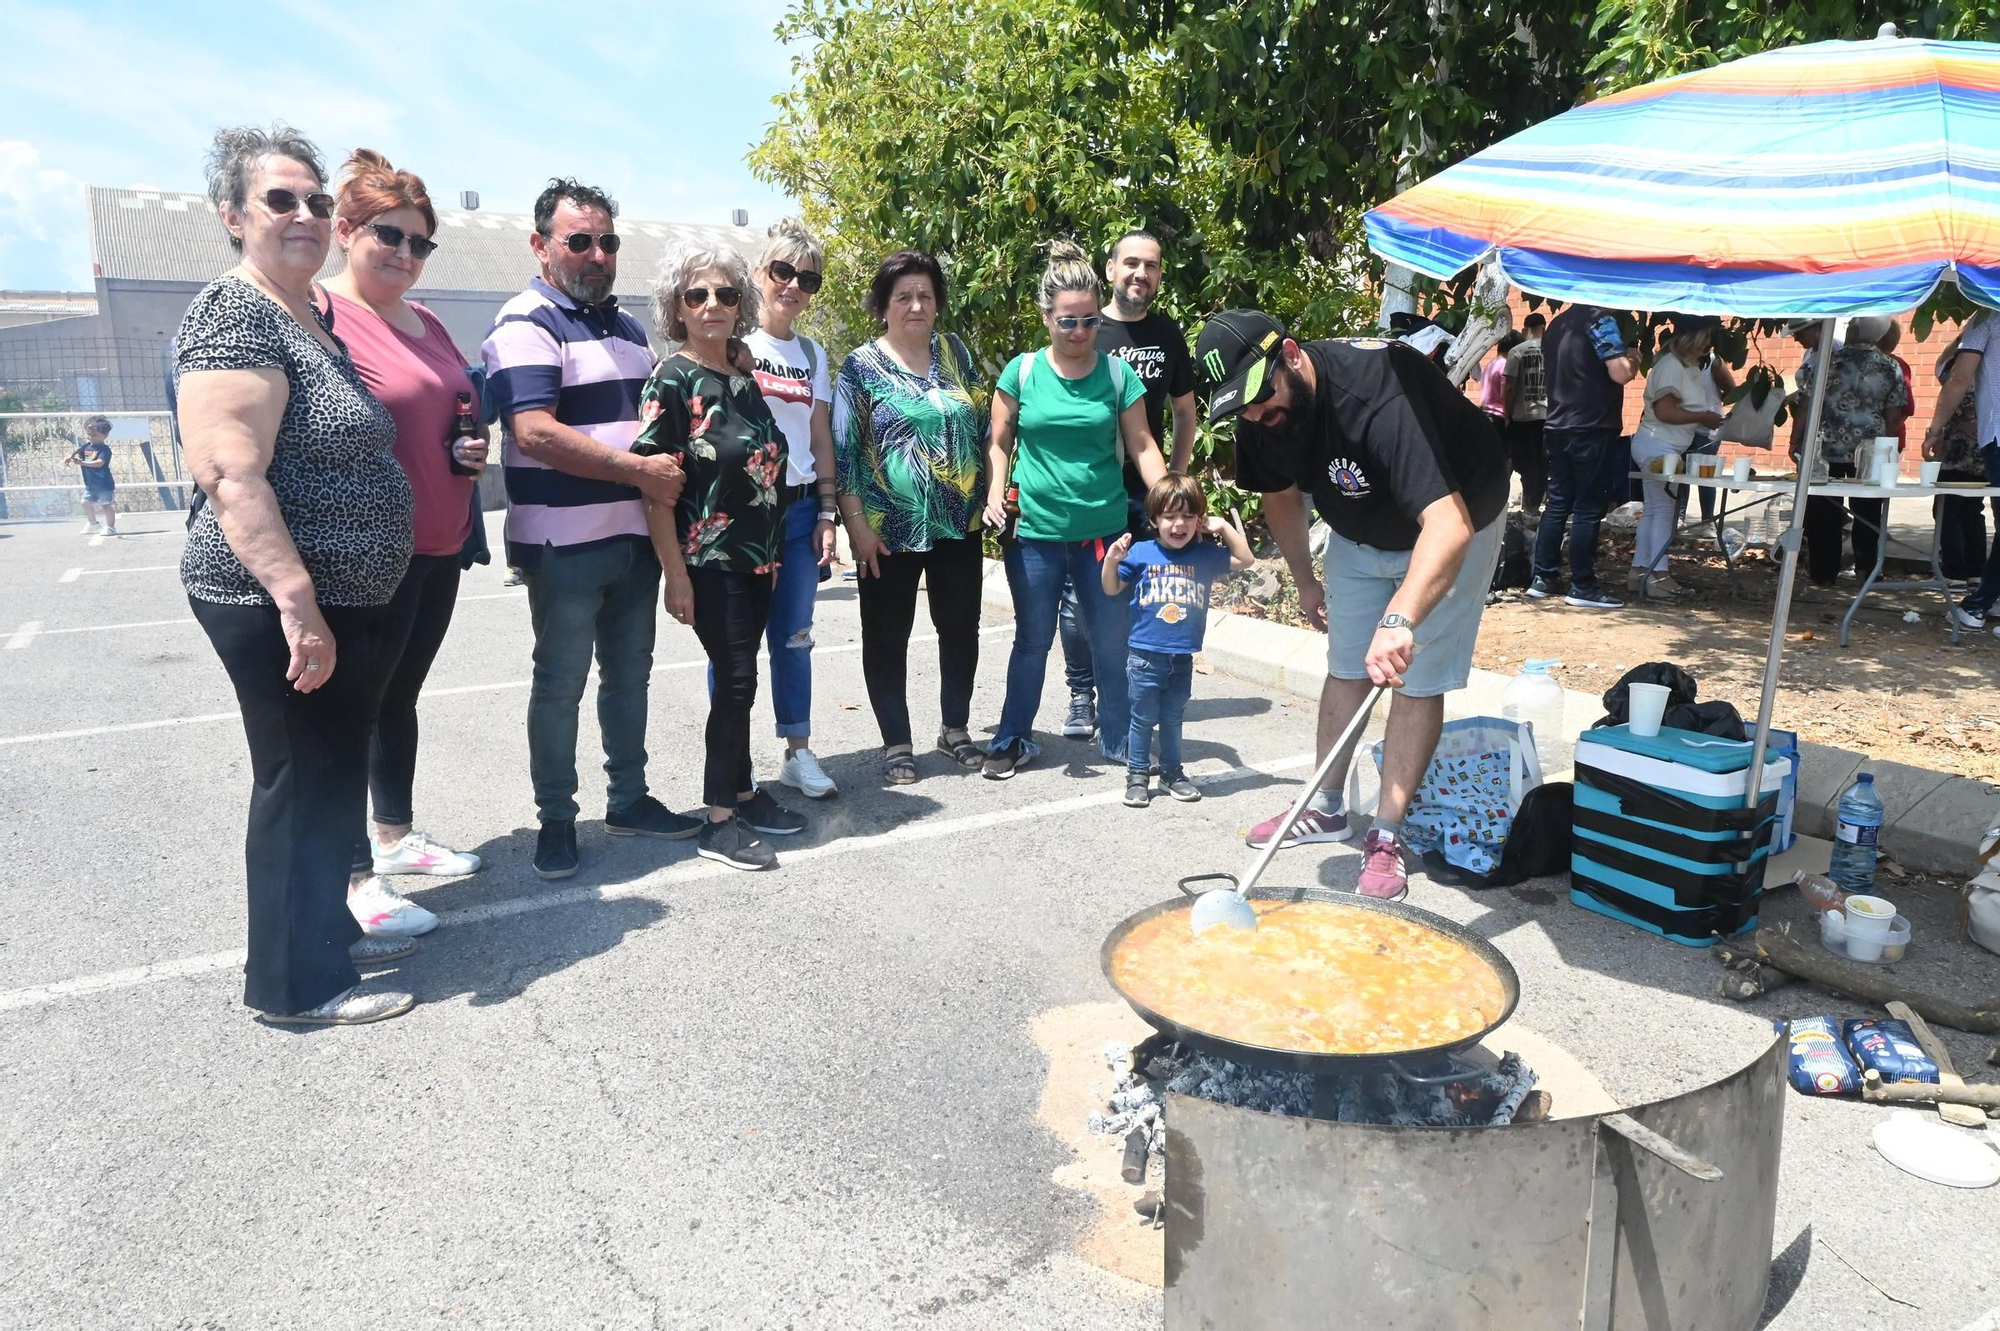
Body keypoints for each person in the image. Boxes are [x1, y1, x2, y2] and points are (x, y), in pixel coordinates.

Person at [176, 124, 416, 1025]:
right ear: (236, 216)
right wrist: (298, 602)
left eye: (317, 200)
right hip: (270, 597)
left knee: (326, 772)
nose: (307, 214)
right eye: (282, 199)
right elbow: (230, 472)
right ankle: (293, 985)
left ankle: (327, 932)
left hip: (341, 593)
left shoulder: (302, 309)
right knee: (297, 778)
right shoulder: (234, 312)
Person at [1204, 312, 1508, 901]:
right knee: (1347, 664)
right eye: (1247, 413)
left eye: (1266, 404)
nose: (1261, 419)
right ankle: (1325, 808)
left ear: (1291, 354)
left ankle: (1387, 835)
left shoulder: (1378, 395)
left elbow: (1447, 526)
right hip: (1360, 528)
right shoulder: (1256, 403)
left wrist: (1399, 619)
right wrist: (1304, 579)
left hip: (1458, 519)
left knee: (1412, 678)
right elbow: (1280, 493)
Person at [483, 179, 695, 881]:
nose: (597, 253)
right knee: (561, 684)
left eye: (607, 240)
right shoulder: (525, 322)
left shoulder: (629, 329)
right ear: (541, 246)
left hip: (634, 542)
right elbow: (534, 433)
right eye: (580, 240)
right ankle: (555, 820)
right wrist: (639, 472)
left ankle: (628, 798)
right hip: (564, 548)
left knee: (629, 676)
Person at [321, 148, 485, 939]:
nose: (406, 255)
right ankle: (352, 877)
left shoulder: (427, 322)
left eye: (421, 243)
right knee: (353, 710)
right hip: (366, 551)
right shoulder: (320, 317)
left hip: (440, 540)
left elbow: (453, 406)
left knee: (399, 698)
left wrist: (470, 445)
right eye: (390, 236)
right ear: (345, 229)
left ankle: (394, 837)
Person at [632, 242, 806, 872]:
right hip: (709, 561)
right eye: (696, 294)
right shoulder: (672, 379)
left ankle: (742, 792)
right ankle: (720, 822)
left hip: (760, 558)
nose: (712, 305)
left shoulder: (740, 375)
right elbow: (655, 485)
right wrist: (675, 577)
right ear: (676, 306)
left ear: (741, 305)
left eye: (726, 294)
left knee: (742, 679)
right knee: (735, 682)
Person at [980, 239, 1168, 780]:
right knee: (1032, 640)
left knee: (1111, 642)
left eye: (1089, 321)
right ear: (1046, 317)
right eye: (1068, 322)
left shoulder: (1117, 376)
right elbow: (998, 441)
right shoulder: (1020, 372)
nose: (1080, 332)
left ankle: (1118, 738)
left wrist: (1170, 500)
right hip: (1034, 533)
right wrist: (995, 496)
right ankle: (1013, 736)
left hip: (1103, 536)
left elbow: (1142, 445)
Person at [832, 250, 989, 783]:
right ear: (884, 306)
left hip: (958, 523)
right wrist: (855, 525)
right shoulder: (859, 366)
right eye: (904, 296)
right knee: (886, 634)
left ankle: (955, 730)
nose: (915, 305)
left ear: (938, 304)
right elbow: (845, 451)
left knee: (960, 628)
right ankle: (897, 742)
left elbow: (983, 427)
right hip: (887, 527)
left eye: (925, 295)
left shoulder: (956, 352)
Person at [1051, 229, 1200, 741]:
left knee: (1149, 590)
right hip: (1090, 492)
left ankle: (1138, 688)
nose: (1141, 273)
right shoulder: (1085, 327)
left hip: (1148, 494)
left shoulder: (1168, 333)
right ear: (1110, 268)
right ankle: (1080, 694)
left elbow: (1185, 413)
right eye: (1131, 263)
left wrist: (1173, 487)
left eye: (1152, 265)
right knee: (1080, 597)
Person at [744, 219, 840, 800]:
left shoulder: (810, 353)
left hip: (802, 510)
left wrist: (828, 513)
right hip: (747, 515)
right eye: (782, 271)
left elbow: (821, 438)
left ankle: (797, 752)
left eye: (806, 278)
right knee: (734, 640)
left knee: (795, 637)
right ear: (760, 273)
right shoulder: (734, 346)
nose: (793, 286)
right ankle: (729, 758)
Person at [1100, 474, 1252, 809]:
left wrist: (1224, 527)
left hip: (1182, 657)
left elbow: (1246, 560)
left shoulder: (1204, 554)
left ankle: (1172, 773)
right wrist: (1111, 560)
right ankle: (1137, 776)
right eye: (1169, 516)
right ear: (1154, 520)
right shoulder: (1140, 552)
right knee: (1141, 718)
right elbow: (1111, 588)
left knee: (1172, 717)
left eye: (1187, 516)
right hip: (1144, 656)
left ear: (1199, 519)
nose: (1178, 524)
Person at [1529, 304, 1636, 608]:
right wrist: (1633, 357)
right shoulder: (1600, 321)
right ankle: (1582, 585)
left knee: (1557, 503)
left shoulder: (1558, 323)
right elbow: (1620, 374)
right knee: (1589, 507)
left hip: (1557, 424)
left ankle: (1544, 577)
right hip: (1592, 425)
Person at [1790, 314, 1905, 588]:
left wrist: (1795, 440)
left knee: (1823, 511)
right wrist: (1890, 446)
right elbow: (1894, 413)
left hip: (1825, 446)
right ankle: (1868, 571)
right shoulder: (1890, 366)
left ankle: (1823, 572)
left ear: (1854, 332)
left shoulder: (1823, 362)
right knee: (1867, 512)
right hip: (1869, 448)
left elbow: (1805, 406)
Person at [1627, 316, 1723, 599]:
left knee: (1656, 509)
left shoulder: (1686, 366)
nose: (1708, 342)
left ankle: (1641, 570)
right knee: (1663, 511)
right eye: (1704, 336)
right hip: (1659, 443)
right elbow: (1666, 411)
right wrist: (1703, 417)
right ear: (1690, 337)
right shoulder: (1671, 366)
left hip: (1663, 444)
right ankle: (1659, 574)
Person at [1931, 312, 2000, 632]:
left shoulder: (1987, 318)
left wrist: (1935, 429)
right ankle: (1985, 598)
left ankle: (1978, 603)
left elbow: (1957, 376)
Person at [1928, 329, 1988, 583]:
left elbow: (1942, 368)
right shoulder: (1992, 370)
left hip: (1958, 449)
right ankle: (1975, 569)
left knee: (1948, 508)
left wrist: (1963, 337)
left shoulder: (1961, 369)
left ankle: (1954, 570)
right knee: (1973, 508)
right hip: (1985, 447)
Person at [1502, 312, 1548, 515]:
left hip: (1522, 417)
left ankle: (1509, 507)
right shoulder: (1552, 350)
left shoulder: (1516, 352)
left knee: (1520, 462)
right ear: (1543, 329)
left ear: (1525, 329)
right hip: (1548, 416)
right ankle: (1532, 506)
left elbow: (1510, 386)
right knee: (1541, 465)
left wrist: (1506, 413)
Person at [64, 415, 118, 535]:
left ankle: (111, 527)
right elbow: (79, 456)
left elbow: (99, 463)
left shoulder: (104, 450)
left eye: (94, 435)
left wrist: (82, 462)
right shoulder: (86, 447)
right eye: (88, 435)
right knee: (85, 502)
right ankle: (93, 524)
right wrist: (72, 458)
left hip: (104, 483)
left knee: (106, 505)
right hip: (91, 484)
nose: (90, 437)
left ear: (105, 435)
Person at [1479, 332, 1517, 434]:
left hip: (1486, 413)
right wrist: (1508, 417)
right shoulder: (1505, 365)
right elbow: (1506, 392)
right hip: (1499, 416)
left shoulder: (1491, 364)